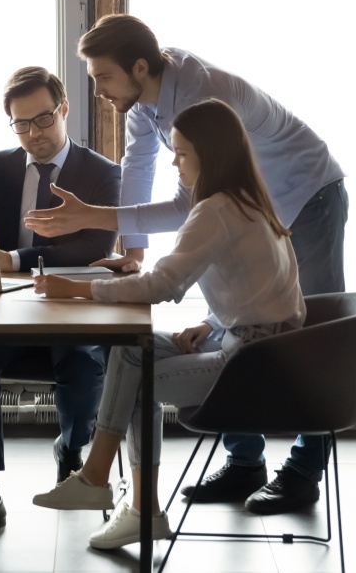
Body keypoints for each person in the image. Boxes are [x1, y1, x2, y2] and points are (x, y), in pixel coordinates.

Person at [25, 14, 348, 514]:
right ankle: (245, 463)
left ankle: (304, 471)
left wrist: (89, 219)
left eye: (103, 77)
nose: (98, 91)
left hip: (308, 194)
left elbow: (186, 206)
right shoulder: (142, 102)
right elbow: (138, 170)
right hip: (250, 208)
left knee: (314, 340)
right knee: (231, 311)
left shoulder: (201, 99)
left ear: (138, 67)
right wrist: (132, 251)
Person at [30, 98, 306, 549]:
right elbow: (268, 288)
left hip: (254, 362)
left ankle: (131, 502)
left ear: (208, 155)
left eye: (181, 153)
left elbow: (161, 285)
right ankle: (116, 490)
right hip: (261, 344)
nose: (174, 163)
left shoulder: (216, 209)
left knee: (138, 380)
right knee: (131, 348)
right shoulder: (249, 202)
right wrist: (212, 321)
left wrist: (78, 289)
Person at [0, 67, 122, 543]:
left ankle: (71, 445)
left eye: (42, 120)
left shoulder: (102, 174)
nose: (33, 134)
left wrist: (16, 258)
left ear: (63, 110)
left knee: (83, 366)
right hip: (10, 313)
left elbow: (93, 250)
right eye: (21, 124)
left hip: (72, 310)